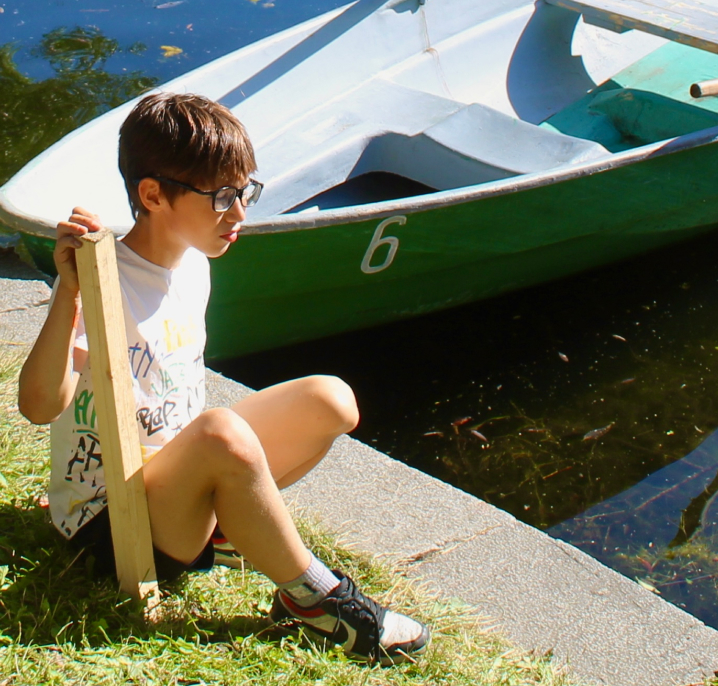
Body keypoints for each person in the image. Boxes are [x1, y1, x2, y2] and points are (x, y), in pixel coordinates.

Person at [17, 90, 429, 662]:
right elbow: (41, 405)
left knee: (331, 400)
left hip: (176, 490)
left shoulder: (192, 266)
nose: (239, 214)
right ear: (153, 195)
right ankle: (319, 602)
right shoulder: (103, 277)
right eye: (222, 198)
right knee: (220, 434)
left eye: (244, 193)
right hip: (111, 525)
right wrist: (70, 292)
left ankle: (225, 530)